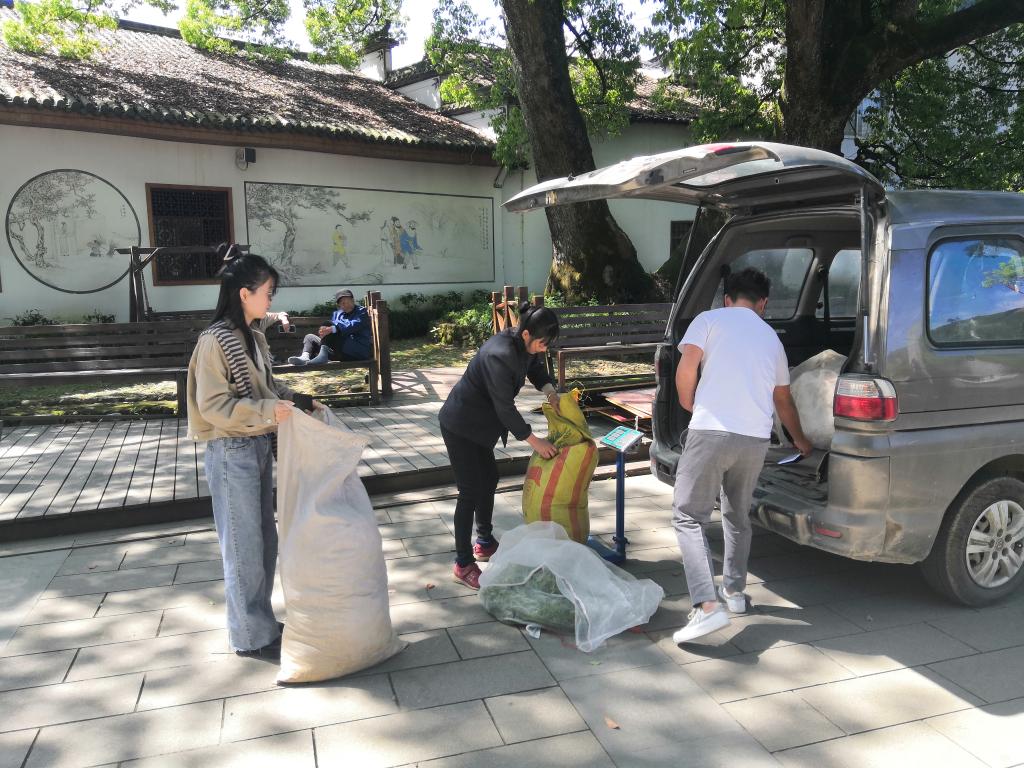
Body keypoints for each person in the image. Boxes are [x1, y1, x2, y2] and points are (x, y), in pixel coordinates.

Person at [186, 244, 319, 662]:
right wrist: (268, 411)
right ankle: (250, 635)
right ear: (245, 293)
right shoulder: (215, 341)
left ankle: (260, 623)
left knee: (262, 541)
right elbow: (213, 406)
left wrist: (296, 399)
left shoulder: (251, 334)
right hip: (232, 451)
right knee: (243, 547)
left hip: (255, 444)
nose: (270, 300)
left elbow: (267, 388)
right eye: (267, 292)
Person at [671, 267, 811, 644]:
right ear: (763, 303)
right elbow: (783, 399)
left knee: (688, 516)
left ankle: (706, 607)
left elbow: (686, 367)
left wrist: (690, 405)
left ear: (727, 299)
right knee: (736, 515)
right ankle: (734, 593)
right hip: (754, 440)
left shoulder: (709, 320)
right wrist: (801, 440)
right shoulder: (772, 339)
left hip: (711, 431)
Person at [439, 303, 562, 589]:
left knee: (489, 479)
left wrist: (550, 391)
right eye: (542, 343)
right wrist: (535, 442)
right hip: (461, 425)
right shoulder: (500, 354)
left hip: (481, 425)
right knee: (470, 491)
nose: (544, 349)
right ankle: (462, 563)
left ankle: (484, 541)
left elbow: (534, 366)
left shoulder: (523, 343)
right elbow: (505, 408)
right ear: (527, 334)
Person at [287, 289, 371, 365]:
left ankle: (322, 356)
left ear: (353, 300)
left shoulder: (362, 312)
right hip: (339, 351)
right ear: (339, 305)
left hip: (355, 352)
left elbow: (353, 325)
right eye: (343, 303)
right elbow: (332, 329)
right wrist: (324, 332)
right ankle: (305, 357)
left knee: (329, 325)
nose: (346, 305)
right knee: (309, 337)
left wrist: (332, 329)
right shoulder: (338, 314)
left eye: (348, 302)